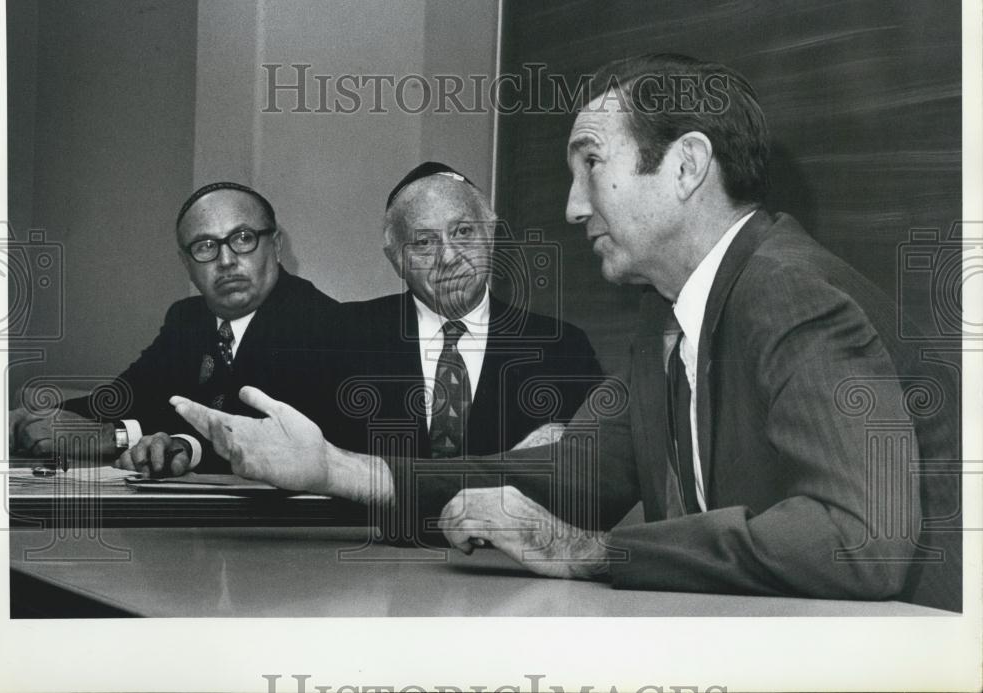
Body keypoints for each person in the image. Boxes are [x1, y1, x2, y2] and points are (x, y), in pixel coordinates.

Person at [170, 56, 960, 611]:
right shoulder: (670, 312)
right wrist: (337, 468)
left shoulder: (788, 293)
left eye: (592, 166)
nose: (575, 206)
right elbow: (572, 475)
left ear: (686, 167)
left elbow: (862, 540)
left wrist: (593, 552)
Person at [9, 182, 345, 475]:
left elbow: (264, 437)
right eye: (205, 246)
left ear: (276, 246)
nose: (226, 261)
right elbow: (128, 397)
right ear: (186, 264)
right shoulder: (187, 318)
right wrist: (32, 418)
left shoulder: (320, 322)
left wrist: (115, 437)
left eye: (243, 238)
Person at [340, 162, 603, 457]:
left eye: (463, 231)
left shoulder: (563, 349)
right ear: (397, 260)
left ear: (489, 235)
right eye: (425, 241)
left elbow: (601, 472)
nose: (449, 257)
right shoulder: (344, 337)